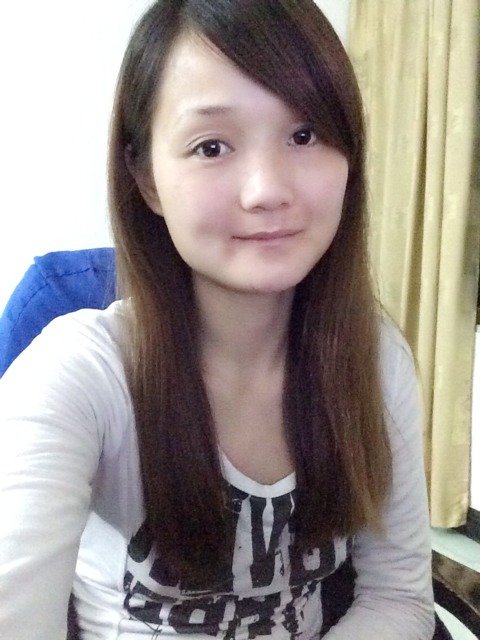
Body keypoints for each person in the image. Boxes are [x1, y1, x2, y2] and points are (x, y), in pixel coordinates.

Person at [0, 1, 435, 638]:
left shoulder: (373, 358)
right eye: (211, 146)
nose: (267, 190)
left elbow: (398, 597)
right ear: (147, 179)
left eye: (305, 135)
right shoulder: (80, 374)